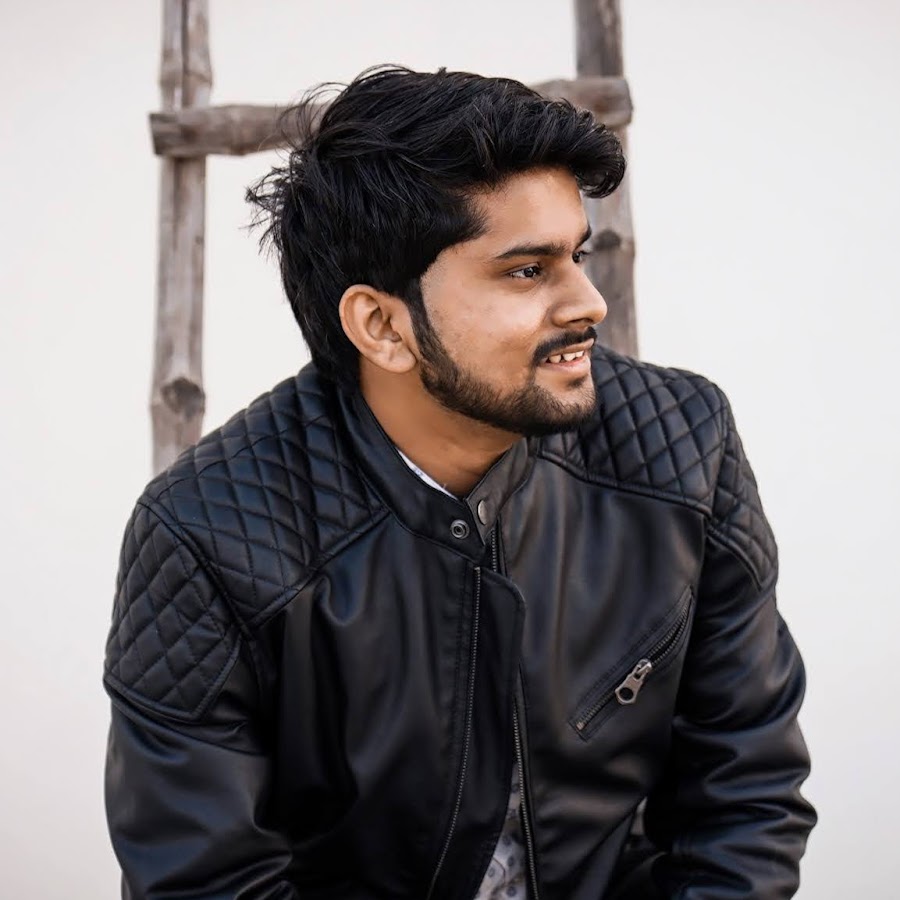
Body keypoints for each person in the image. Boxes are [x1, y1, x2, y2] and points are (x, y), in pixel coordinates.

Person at [103, 66, 815, 899]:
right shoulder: (207, 533)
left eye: (578, 255)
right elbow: (207, 882)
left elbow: (745, 792)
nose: (588, 302)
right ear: (382, 325)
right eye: (527, 270)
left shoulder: (682, 445)